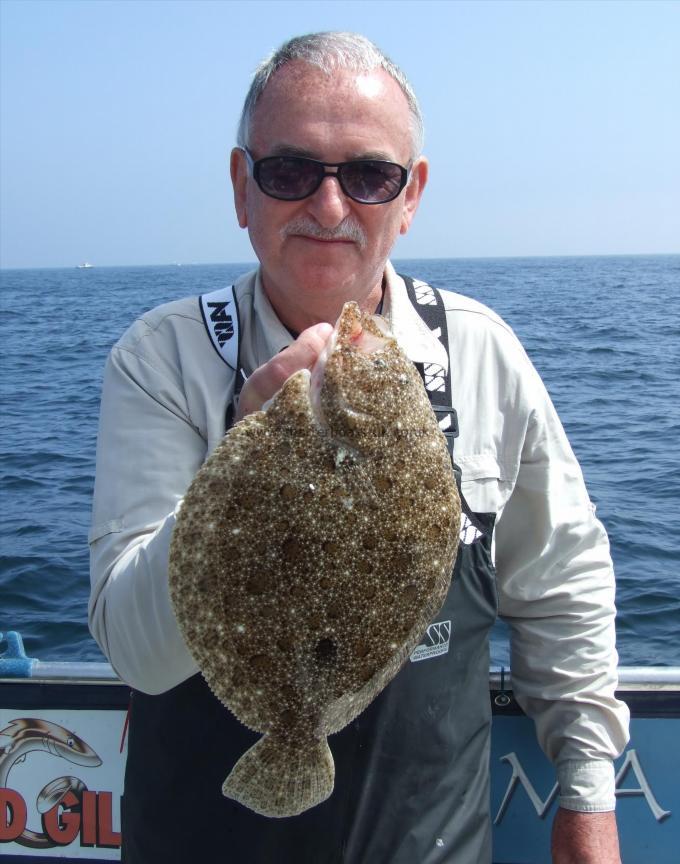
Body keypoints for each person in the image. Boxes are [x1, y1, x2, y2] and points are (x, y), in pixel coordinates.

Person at [89, 31, 630, 864]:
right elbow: (135, 652)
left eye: (369, 176)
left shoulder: (482, 353)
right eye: (290, 171)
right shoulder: (161, 360)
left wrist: (590, 799)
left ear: (409, 196)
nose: (330, 207)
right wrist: (242, 455)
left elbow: (563, 587)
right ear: (242, 187)